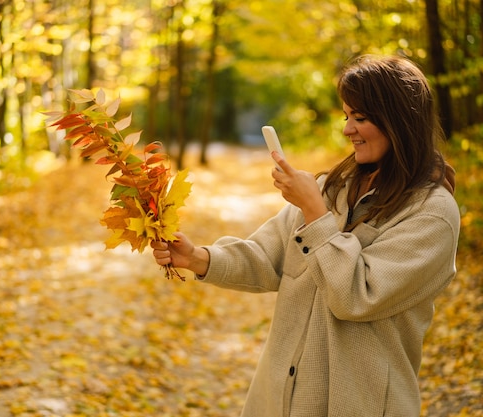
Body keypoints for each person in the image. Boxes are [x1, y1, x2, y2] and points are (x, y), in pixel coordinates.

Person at [150, 54, 460, 417]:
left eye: (360, 117)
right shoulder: (333, 188)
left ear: (400, 120)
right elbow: (269, 257)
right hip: (282, 399)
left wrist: (315, 214)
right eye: (347, 116)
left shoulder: (432, 214)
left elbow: (357, 297)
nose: (348, 129)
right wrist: (198, 258)